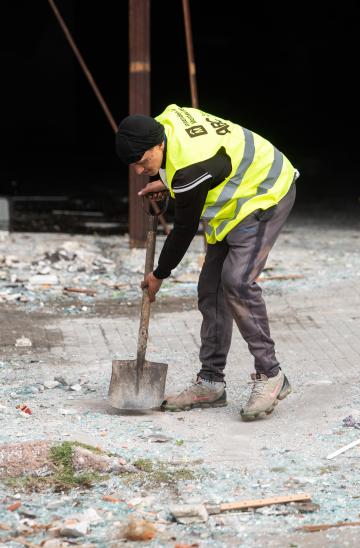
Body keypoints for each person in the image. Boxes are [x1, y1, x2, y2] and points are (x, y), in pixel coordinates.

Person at [115, 105, 298, 421]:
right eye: (134, 165)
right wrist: (169, 183)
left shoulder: (188, 169)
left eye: (143, 162)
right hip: (233, 198)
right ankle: (211, 382)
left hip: (265, 190)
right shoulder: (163, 124)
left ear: (158, 145)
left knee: (237, 281)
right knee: (210, 290)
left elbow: (184, 230)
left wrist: (159, 274)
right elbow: (205, 167)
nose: (140, 171)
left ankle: (271, 375)